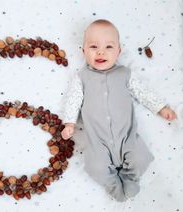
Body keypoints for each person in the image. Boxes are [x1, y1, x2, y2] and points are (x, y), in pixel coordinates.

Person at [61, 19, 177, 202]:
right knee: (94, 167)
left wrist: (161, 108)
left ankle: (130, 178)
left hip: (127, 137)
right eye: (93, 46)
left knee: (141, 159)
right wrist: (69, 123)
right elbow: (73, 100)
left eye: (108, 46)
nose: (100, 51)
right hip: (97, 141)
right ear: (83, 51)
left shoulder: (125, 74)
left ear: (119, 51)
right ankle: (113, 185)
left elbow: (143, 92)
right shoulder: (82, 77)